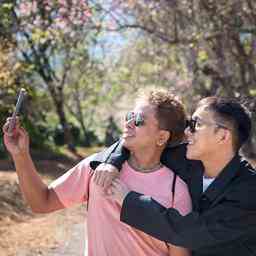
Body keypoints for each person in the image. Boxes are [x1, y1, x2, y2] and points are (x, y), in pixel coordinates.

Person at [3, 89, 192, 256]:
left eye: (139, 120)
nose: (128, 124)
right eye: (129, 116)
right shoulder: (96, 167)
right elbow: (42, 202)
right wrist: (21, 155)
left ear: (162, 137)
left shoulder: (177, 190)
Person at [90, 96, 256, 256]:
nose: (187, 132)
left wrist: (129, 200)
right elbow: (141, 142)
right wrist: (112, 162)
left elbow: (188, 232)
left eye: (195, 124)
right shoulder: (188, 158)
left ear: (222, 136)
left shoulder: (249, 192)